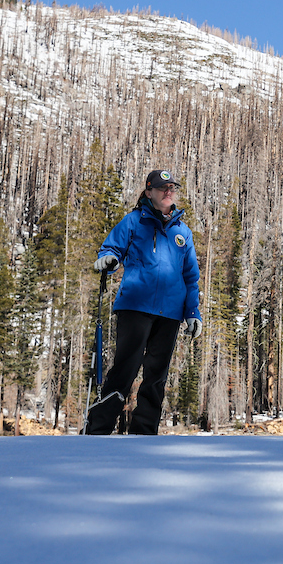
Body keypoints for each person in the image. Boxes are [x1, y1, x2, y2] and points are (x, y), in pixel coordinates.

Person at [85, 169, 203, 435]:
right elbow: (111, 248)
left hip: (170, 313)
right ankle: (98, 429)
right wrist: (109, 261)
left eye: (172, 188)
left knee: (157, 375)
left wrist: (192, 312)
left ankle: (144, 433)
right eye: (163, 188)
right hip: (135, 306)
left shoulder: (183, 232)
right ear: (149, 192)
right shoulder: (134, 222)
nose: (168, 192)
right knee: (125, 370)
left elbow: (190, 277)